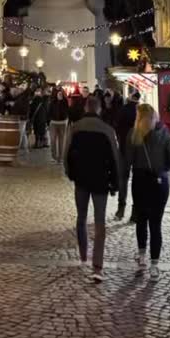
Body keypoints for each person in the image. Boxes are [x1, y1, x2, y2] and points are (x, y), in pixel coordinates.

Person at [64, 95, 120, 283]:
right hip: (101, 181)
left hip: (81, 180)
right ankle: (98, 265)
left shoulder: (75, 128)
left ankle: (82, 256)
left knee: (81, 217)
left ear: (86, 108)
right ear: (99, 109)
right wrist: (115, 182)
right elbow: (115, 158)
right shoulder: (107, 130)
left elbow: (66, 154)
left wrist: (71, 173)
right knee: (99, 221)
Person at [125, 103, 170, 280]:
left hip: (140, 181)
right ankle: (154, 266)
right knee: (156, 224)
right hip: (159, 182)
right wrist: (161, 168)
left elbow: (128, 160)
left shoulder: (133, 135)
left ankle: (141, 258)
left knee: (141, 220)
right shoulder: (163, 134)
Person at [115, 89, 140, 221]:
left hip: (124, 148)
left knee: (123, 179)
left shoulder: (123, 110)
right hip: (137, 150)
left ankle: (121, 208)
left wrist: (120, 139)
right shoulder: (141, 111)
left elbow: (117, 126)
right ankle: (135, 211)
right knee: (136, 181)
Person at [48, 87, 70, 163]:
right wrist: (49, 121)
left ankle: (60, 158)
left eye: (61, 94)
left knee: (61, 141)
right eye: (58, 94)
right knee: (53, 141)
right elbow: (49, 112)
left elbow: (67, 112)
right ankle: (53, 157)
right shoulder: (52, 102)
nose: (59, 95)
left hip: (62, 123)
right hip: (53, 123)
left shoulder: (65, 102)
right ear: (56, 94)